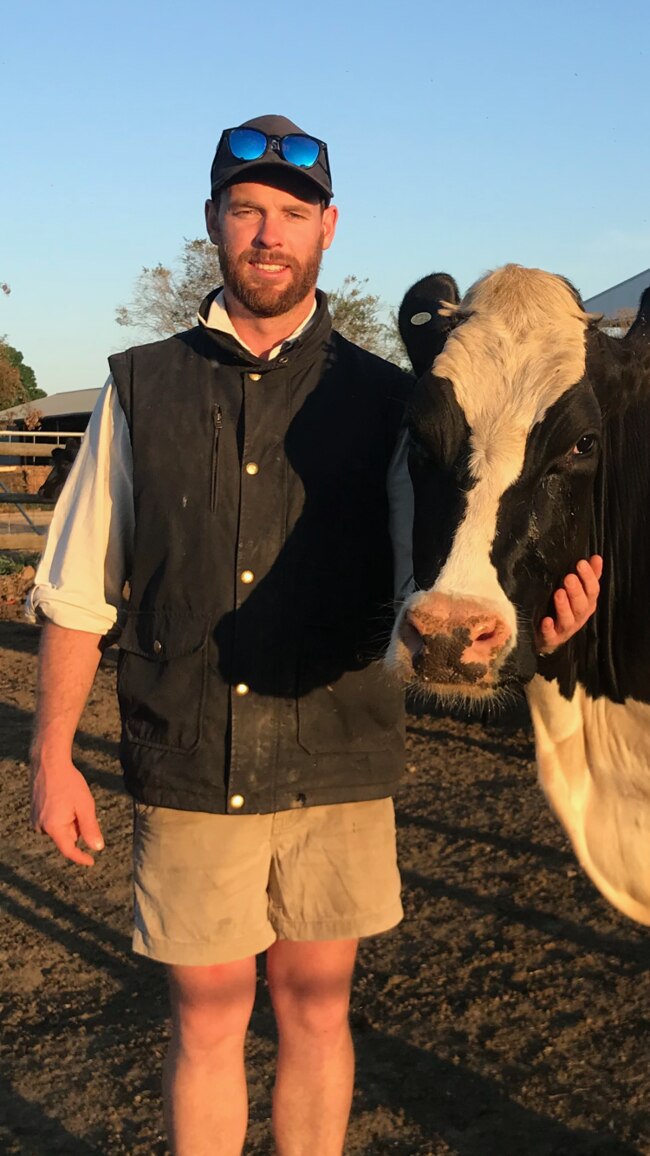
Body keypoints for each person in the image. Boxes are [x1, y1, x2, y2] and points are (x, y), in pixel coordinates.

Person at [29, 114, 602, 1156]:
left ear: (327, 228)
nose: (266, 235)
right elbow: (75, 588)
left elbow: (436, 565)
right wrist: (50, 749)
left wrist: (544, 623)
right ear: (212, 222)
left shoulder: (400, 402)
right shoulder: (138, 387)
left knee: (313, 1007)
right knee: (205, 1015)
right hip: (193, 748)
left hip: (338, 751)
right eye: (245, 210)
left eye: (290, 214)